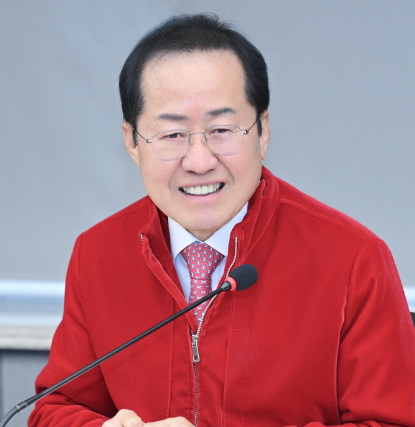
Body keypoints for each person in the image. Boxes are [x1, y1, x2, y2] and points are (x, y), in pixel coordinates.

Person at [29, 14, 415, 427]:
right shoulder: (98, 254)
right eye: (172, 135)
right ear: (132, 142)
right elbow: (53, 410)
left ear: (262, 130)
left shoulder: (354, 260)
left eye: (222, 129)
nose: (199, 162)